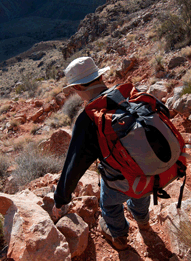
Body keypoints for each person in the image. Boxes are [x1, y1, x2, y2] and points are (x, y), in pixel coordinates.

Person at [52, 57, 151, 250]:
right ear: (101, 76)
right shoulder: (129, 94)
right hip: (149, 166)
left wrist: (60, 199)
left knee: (110, 205)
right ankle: (144, 221)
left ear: (77, 88)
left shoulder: (88, 118)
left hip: (118, 178)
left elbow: (74, 166)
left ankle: (119, 237)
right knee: (141, 191)